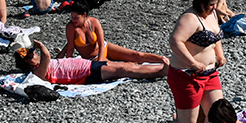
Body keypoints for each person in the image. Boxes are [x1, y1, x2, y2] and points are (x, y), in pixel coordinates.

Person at [151, 0, 227, 123]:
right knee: (187, 121)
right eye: (210, 5)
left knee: (215, 114)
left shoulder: (213, 15)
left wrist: (220, 55)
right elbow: (175, 41)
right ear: (201, 3)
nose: (214, 8)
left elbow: (215, 37)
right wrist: (193, 63)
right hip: (187, 75)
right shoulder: (190, 18)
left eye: (215, 4)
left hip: (210, 73)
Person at [16, 39, 167, 83]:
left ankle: (162, 66)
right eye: (30, 55)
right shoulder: (37, 72)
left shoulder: (40, 66)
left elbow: (55, 60)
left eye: (33, 52)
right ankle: (162, 71)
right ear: (28, 62)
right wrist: (41, 44)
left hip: (86, 65)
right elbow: (47, 57)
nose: (34, 54)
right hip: (85, 73)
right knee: (125, 71)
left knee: (128, 65)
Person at [58, 4, 168, 65]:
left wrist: (100, 61)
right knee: (124, 66)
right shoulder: (71, 27)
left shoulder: (93, 22)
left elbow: (101, 43)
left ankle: (164, 60)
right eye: (72, 18)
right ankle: (161, 71)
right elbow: (71, 48)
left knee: (136, 55)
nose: (73, 20)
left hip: (104, 48)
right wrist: (69, 64)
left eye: (76, 18)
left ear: (84, 15)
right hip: (92, 57)